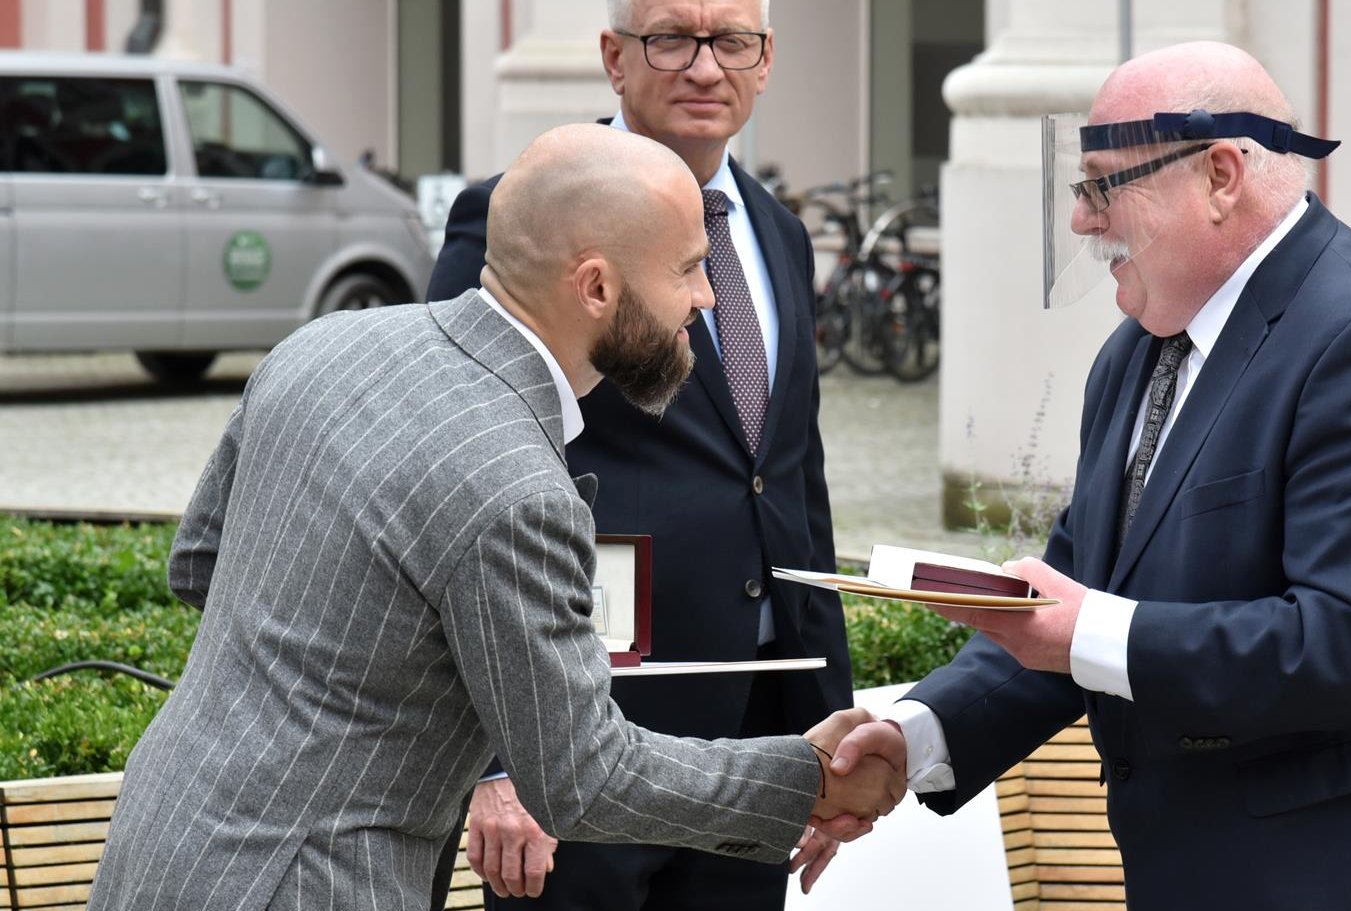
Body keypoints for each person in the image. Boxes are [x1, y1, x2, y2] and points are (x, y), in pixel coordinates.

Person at [84, 124, 901, 911]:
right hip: (309, 881)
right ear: (596, 287)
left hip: (163, 836)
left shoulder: (321, 345)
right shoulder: (518, 489)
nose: (706, 295)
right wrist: (810, 776)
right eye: (687, 267)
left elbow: (197, 562)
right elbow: (582, 776)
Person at [824, 41, 1351, 910]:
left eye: (1102, 184)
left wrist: (1085, 627)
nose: (1084, 220)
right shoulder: (1137, 351)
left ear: (1222, 174)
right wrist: (913, 736)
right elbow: (1074, 604)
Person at [425, 1, 852, 908]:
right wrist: (499, 762)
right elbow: (453, 476)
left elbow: (791, 480)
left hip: (753, 723)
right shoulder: (524, 212)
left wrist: (826, 736)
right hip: (584, 724)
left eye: (732, 41)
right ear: (615, 59)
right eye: (672, 38)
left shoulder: (778, 232)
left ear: (766, 60)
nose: (705, 67)